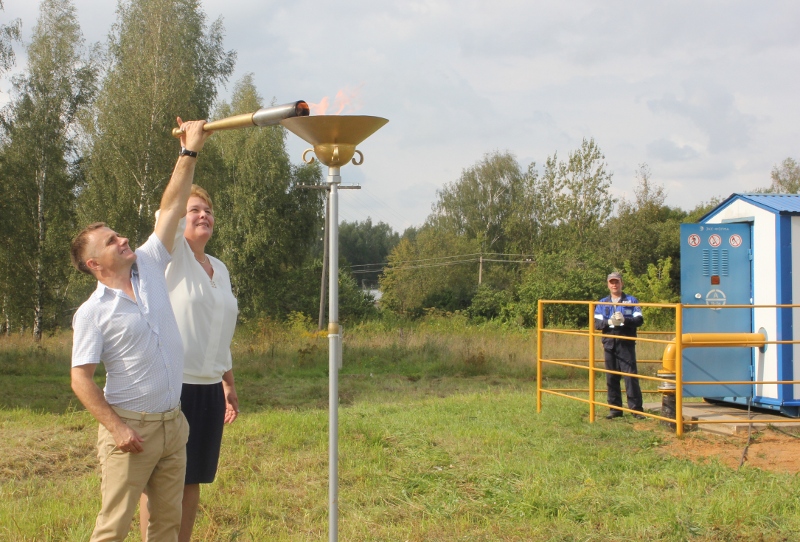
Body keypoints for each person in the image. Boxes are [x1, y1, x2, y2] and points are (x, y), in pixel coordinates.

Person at [69, 119, 211, 541]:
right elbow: (81, 378)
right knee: (114, 528)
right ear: (95, 264)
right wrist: (117, 429)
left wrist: (189, 151)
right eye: (111, 241)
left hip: (172, 424)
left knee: (166, 527)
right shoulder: (92, 312)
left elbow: (171, 207)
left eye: (118, 234)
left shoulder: (149, 264)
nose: (123, 239)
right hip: (132, 431)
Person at [139, 184, 239, 542]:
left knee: (192, 477)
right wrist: (189, 153)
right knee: (160, 480)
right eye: (194, 209)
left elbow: (219, 332)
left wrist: (228, 383)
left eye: (208, 211)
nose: (203, 216)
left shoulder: (220, 268)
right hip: (172, 386)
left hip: (209, 389)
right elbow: (168, 207)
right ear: (179, 218)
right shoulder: (171, 256)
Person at [594, 272, 645, 420]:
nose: (614, 285)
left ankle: (636, 410)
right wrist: (609, 322)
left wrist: (625, 321)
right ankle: (615, 409)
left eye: (617, 282)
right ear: (608, 284)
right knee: (611, 377)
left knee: (630, 377)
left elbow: (639, 320)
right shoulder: (602, 303)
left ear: (622, 283)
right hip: (609, 343)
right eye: (612, 282)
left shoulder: (631, 300)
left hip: (626, 342)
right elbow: (597, 324)